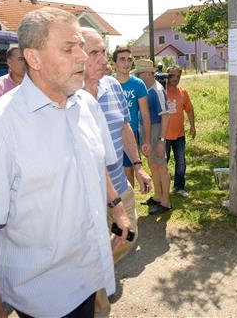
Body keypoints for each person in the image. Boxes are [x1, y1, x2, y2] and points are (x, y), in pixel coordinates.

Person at [0, 7, 132, 318]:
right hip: (45, 295)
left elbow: (94, 163)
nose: (83, 57)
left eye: (80, 47)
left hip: (90, 275)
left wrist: (118, 208)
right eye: (68, 49)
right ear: (33, 59)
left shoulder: (86, 104)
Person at [80, 28, 151, 318]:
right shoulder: (68, 94)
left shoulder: (113, 86)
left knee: (129, 234)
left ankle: (91, 271)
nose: (104, 61)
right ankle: (92, 288)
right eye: (93, 53)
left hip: (119, 183)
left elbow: (124, 128)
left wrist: (137, 165)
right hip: (87, 196)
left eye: (102, 52)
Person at [133, 59, 172, 215]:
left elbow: (166, 116)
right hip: (147, 129)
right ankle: (157, 196)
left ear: (149, 73)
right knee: (153, 165)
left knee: (161, 166)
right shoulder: (145, 89)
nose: (138, 77)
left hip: (156, 130)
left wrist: (162, 140)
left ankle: (166, 201)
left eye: (140, 74)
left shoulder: (157, 90)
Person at [112, 46, 152, 188]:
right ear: (115, 63)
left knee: (129, 173)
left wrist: (146, 140)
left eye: (129, 59)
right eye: (122, 59)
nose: (126, 63)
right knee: (111, 173)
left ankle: (128, 208)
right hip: (111, 134)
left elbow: (145, 114)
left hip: (131, 133)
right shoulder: (108, 83)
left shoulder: (138, 84)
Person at [165, 65, 196, 197]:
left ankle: (179, 187)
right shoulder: (161, 91)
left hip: (179, 135)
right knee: (162, 164)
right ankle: (161, 189)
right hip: (163, 136)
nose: (175, 79)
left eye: (178, 76)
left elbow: (189, 110)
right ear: (167, 76)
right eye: (172, 76)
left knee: (181, 162)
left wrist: (193, 126)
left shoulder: (183, 92)